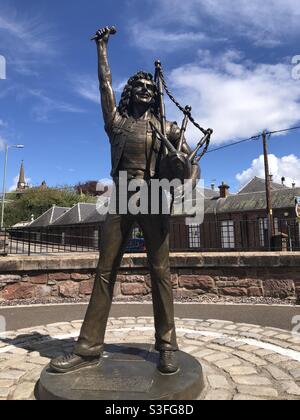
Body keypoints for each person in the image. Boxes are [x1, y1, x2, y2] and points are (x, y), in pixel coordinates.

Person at [50, 27, 199, 375]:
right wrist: (102, 48)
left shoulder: (167, 127)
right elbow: (104, 85)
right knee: (105, 271)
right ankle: (87, 349)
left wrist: (185, 186)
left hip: (153, 197)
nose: (146, 91)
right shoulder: (115, 122)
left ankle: (167, 346)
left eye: (150, 88)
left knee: (160, 271)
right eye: (140, 87)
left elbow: (190, 163)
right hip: (120, 197)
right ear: (130, 92)